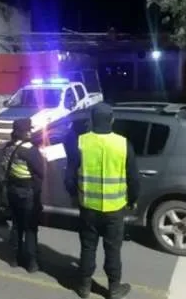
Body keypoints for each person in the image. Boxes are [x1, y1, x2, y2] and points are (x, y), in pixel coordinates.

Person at [65, 103, 140, 299]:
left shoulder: (80, 142)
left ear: (91, 120)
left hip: (88, 207)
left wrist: (74, 196)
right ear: (112, 120)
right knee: (113, 249)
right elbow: (134, 178)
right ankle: (114, 289)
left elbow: (69, 176)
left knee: (88, 247)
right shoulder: (123, 144)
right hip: (115, 209)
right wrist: (132, 200)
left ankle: (84, 287)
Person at [2, 118, 45, 273]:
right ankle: (31, 262)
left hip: (12, 191)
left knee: (16, 225)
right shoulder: (30, 150)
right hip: (28, 194)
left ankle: (14, 258)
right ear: (25, 131)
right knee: (30, 228)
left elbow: (4, 165)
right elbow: (41, 171)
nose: (31, 132)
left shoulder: (9, 147)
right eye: (29, 129)